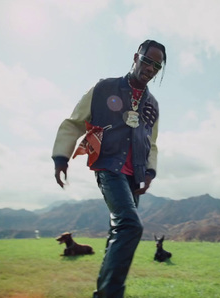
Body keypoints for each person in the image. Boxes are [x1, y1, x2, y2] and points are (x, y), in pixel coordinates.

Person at [52, 40, 167, 298]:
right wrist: (61, 157)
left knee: (116, 237)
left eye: (157, 66)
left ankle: (101, 294)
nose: (150, 68)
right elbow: (74, 123)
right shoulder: (105, 88)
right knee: (130, 227)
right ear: (136, 57)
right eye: (147, 61)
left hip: (134, 177)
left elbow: (152, 142)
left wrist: (149, 172)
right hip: (108, 168)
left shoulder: (153, 105)